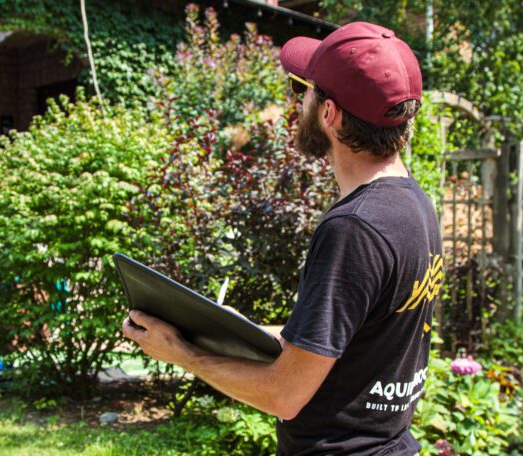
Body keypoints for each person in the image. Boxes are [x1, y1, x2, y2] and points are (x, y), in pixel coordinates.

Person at [123, 21, 442, 456]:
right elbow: (356, 340)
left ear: (329, 114)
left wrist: (181, 353)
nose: (297, 104)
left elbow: (284, 396)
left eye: (303, 91)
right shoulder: (414, 205)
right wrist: (240, 332)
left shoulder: (354, 229)